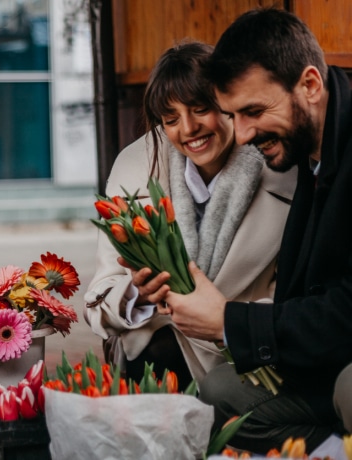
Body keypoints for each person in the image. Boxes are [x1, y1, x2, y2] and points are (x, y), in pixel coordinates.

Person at [160, 7, 352, 454]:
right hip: (327, 356)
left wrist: (231, 321)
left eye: (253, 111)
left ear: (309, 84)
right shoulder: (311, 139)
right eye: (233, 115)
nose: (243, 134)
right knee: (222, 392)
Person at [83, 41, 296, 391]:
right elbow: (99, 299)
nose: (189, 129)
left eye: (201, 109)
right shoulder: (136, 168)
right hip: (157, 360)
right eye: (171, 119)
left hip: (246, 359)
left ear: (228, 102)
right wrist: (137, 294)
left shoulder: (281, 169)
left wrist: (228, 323)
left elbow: (293, 294)